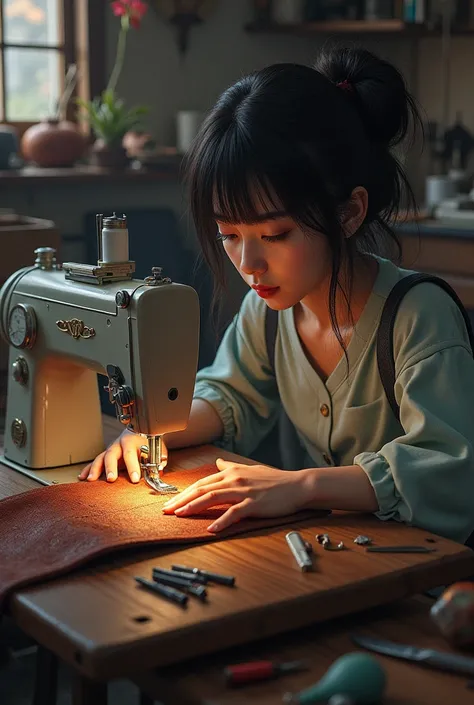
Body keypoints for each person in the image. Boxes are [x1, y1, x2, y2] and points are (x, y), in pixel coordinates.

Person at [79, 46, 474, 544]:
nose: (248, 265)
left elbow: (448, 472)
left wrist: (301, 486)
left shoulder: (418, 317)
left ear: (349, 213)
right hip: (341, 557)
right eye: (228, 235)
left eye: (275, 235)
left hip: (428, 579)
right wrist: (153, 431)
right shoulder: (267, 312)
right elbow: (229, 396)